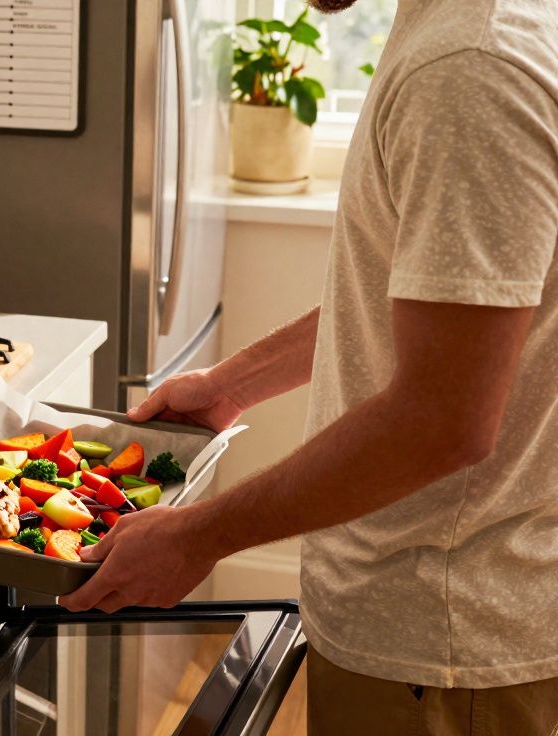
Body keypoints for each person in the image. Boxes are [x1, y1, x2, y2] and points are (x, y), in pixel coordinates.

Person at [58, 0, 558, 732]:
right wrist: (232, 385)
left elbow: (441, 423)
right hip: (427, 624)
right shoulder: (456, 30)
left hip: (445, 648)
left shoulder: (468, 69)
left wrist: (199, 537)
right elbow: (425, 304)